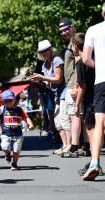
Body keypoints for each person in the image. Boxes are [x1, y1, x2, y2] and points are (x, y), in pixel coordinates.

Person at [29, 40, 71, 155]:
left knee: (64, 120)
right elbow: (50, 85)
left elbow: (58, 79)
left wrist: (42, 78)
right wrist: (38, 81)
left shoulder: (57, 60)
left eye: (46, 50)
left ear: (51, 49)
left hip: (64, 94)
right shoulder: (44, 64)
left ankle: (69, 146)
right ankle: (64, 145)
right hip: (56, 95)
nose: (45, 53)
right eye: (42, 51)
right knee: (57, 122)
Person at [71, 33, 104, 178]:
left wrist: (77, 104)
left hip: (91, 100)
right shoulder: (96, 58)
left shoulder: (80, 63)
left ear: (74, 47)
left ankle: (94, 162)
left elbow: (82, 86)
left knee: (91, 131)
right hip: (100, 94)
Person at [82, 5, 105, 180]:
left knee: (100, 123)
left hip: (102, 81)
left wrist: (100, 68)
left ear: (103, 13)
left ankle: (95, 162)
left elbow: (85, 58)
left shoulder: (93, 30)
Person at [0, 90, 34, 170]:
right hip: (6, 133)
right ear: (3, 102)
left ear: (14, 99)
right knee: (4, 147)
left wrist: (31, 124)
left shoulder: (19, 110)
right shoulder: (2, 109)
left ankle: (14, 163)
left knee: (16, 150)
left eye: (10, 100)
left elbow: (26, 117)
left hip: (18, 134)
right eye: (6, 101)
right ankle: (7, 154)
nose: (8, 103)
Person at [58, 17, 81, 158]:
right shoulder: (70, 44)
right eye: (61, 31)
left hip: (74, 84)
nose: (63, 33)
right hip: (70, 84)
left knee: (74, 115)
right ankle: (83, 146)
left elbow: (79, 64)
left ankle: (74, 147)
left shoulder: (77, 42)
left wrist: (75, 85)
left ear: (73, 27)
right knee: (74, 115)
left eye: (66, 29)